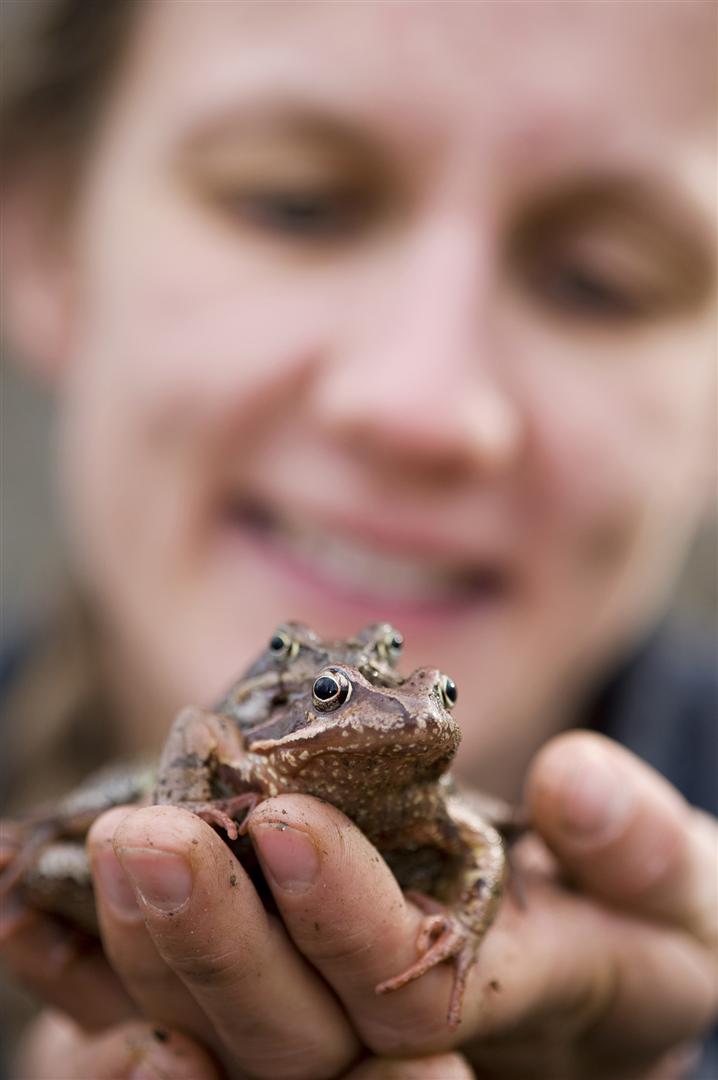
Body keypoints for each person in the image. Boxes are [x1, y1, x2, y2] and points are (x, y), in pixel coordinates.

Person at [1, 1, 716, 1077]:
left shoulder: (453, 805)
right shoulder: (219, 747)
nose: (418, 406)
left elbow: (475, 847)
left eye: (598, 279)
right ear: (49, 231)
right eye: (293, 204)